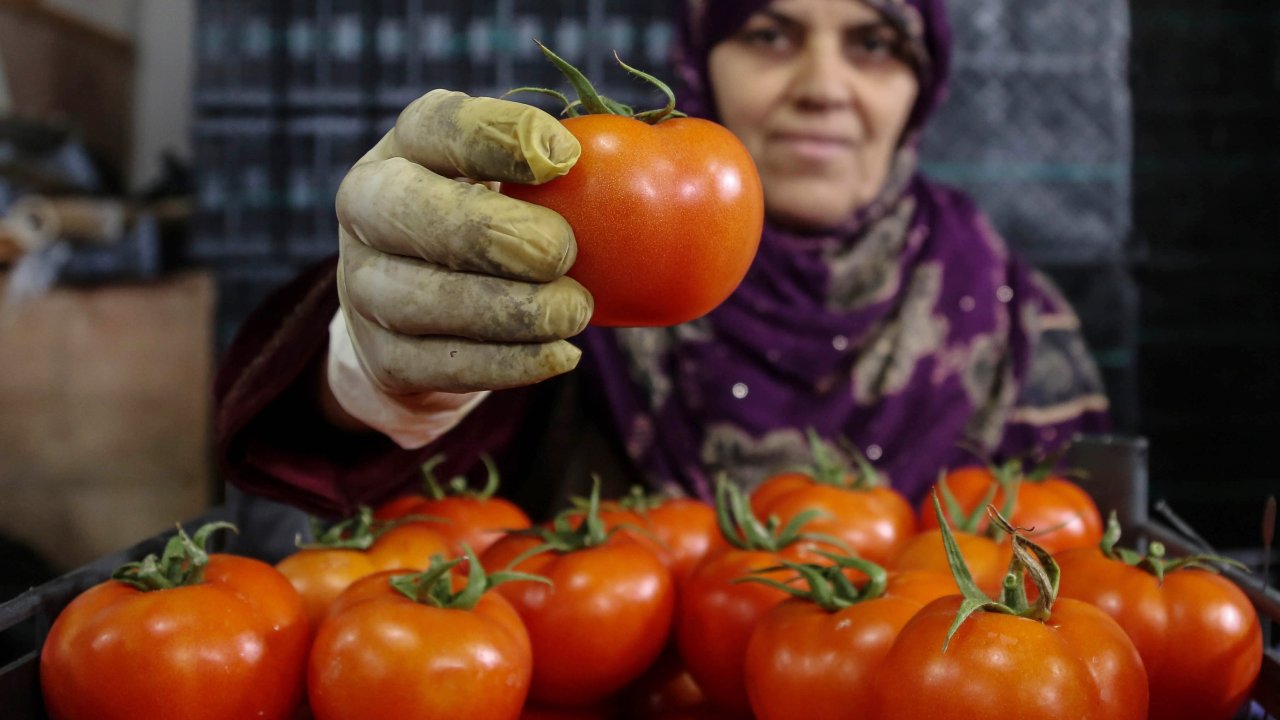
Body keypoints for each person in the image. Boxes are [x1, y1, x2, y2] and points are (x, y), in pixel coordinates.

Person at [215, 0, 1109, 521]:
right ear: (703, 60)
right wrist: (377, 367)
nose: (823, 88)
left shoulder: (1012, 317)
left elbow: (1068, 573)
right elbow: (359, 464)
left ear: (923, 84)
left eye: (874, 43)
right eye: (769, 34)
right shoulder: (575, 262)